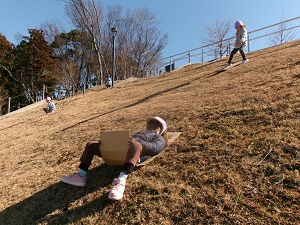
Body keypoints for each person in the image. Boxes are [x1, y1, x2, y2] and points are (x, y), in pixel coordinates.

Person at [61, 116, 167, 201]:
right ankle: (81, 175)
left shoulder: (159, 139)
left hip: (134, 156)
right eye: (150, 123)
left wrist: (137, 143)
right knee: (91, 144)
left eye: (155, 125)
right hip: (119, 151)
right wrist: (107, 143)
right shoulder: (138, 134)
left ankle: (121, 180)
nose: (151, 126)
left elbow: (156, 148)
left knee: (137, 145)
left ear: (160, 130)